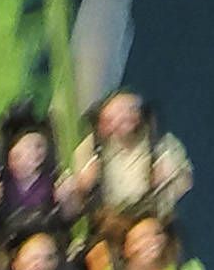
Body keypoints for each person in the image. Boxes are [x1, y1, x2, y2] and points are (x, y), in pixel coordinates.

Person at [61, 89, 189, 233]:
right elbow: (72, 211)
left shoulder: (161, 142)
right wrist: (80, 188)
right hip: (107, 228)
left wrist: (169, 178)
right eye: (112, 117)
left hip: (150, 225)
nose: (120, 119)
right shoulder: (89, 149)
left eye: (128, 111)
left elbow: (185, 182)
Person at [0, 102, 67, 246]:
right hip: (9, 241)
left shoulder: (51, 182)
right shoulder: (1, 183)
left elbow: (69, 215)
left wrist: (68, 197)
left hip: (45, 240)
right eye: (20, 151)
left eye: (38, 147)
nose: (34, 153)